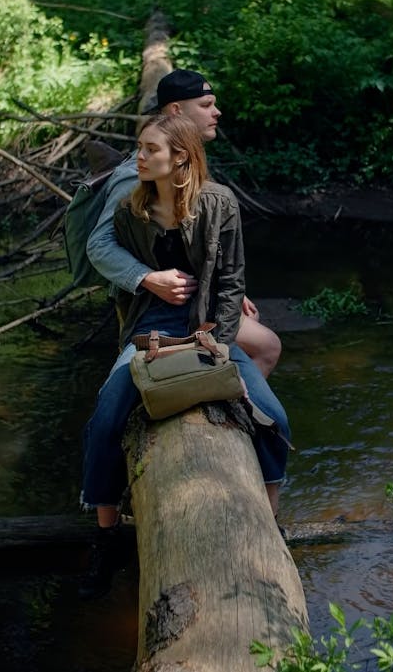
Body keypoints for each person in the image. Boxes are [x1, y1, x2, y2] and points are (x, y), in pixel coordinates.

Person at [79, 114, 291, 599]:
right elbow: (110, 262)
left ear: (180, 157)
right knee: (106, 417)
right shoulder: (131, 210)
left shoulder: (219, 204)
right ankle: (106, 536)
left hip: (209, 326)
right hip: (149, 328)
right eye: (138, 147)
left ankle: (272, 526)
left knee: (274, 417)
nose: (138, 156)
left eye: (149, 150)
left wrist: (216, 339)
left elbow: (232, 282)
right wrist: (147, 281)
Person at [86, 68, 281, 379]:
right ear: (176, 110)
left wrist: (224, 284)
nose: (216, 112)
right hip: (153, 303)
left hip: (195, 297)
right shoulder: (139, 176)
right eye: (205, 105)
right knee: (266, 345)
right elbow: (99, 244)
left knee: (264, 341)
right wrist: (148, 277)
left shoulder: (190, 165)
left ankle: (228, 403)